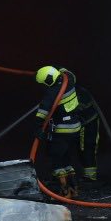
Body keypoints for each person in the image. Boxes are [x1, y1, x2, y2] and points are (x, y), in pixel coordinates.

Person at [33, 65, 85, 197]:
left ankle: (64, 191)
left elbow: (42, 112)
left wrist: (38, 128)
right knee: (67, 158)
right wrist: (60, 70)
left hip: (62, 131)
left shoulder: (52, 93)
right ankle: (74, 189)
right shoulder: (70, 80)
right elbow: (68, 72)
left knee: (56, 160)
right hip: (75, 128)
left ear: (47, 82)